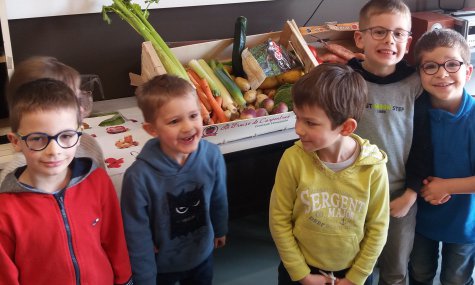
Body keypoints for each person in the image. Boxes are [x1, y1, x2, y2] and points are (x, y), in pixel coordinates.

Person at [0, 78, 133, 284]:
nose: (54, 151)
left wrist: (125, 280)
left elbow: (115, 240)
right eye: (37, 138)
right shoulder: (5, 210)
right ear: (16, 142)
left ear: (79, 135)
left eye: (66, 136)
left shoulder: (97, 182)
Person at [269, 63, 390, 285]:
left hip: (353, 273)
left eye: (310, 123)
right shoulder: (293, 159)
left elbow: (378, 227)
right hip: (300, 272)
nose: (298, 129)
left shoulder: (373, 167)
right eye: (297, 117)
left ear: (345, 128)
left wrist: (356, 277)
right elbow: (279, 220)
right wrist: (302, 274)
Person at [120, 74, 228, 285]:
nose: (188, 127)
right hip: (163, 267)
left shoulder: (212, 156)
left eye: (193, 115)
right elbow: (136, 234)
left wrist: (220, 227)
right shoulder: (138, 177)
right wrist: (145, 279)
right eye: (174, 121)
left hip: (202, 256)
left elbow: (218, 197)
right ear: (152, 130)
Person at [349, 0, 423, 284]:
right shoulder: (345, 80)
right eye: (379, 32)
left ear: (408, 41)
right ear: (360, 37)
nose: (389, 40)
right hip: (353, 195)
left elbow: (424, 142)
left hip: (399, 197)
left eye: (399, 33)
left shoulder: (415, 85)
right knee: (356, 266)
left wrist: (412, 193)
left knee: (394, 270)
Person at [406, 28, 475, 285]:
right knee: (420, 272)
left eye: (452, 64)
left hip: (464, 223)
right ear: (419, 74)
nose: (442, 73)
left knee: (456, 279)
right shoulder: (413, 114)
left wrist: (447, 186)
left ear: (467, 71)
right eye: (431, 66)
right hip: (421, 217)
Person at [0, 56, 105, 185]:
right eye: (72, 102)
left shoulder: (89, 145)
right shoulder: (14, 174)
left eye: (78, 99)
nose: (82, 108)